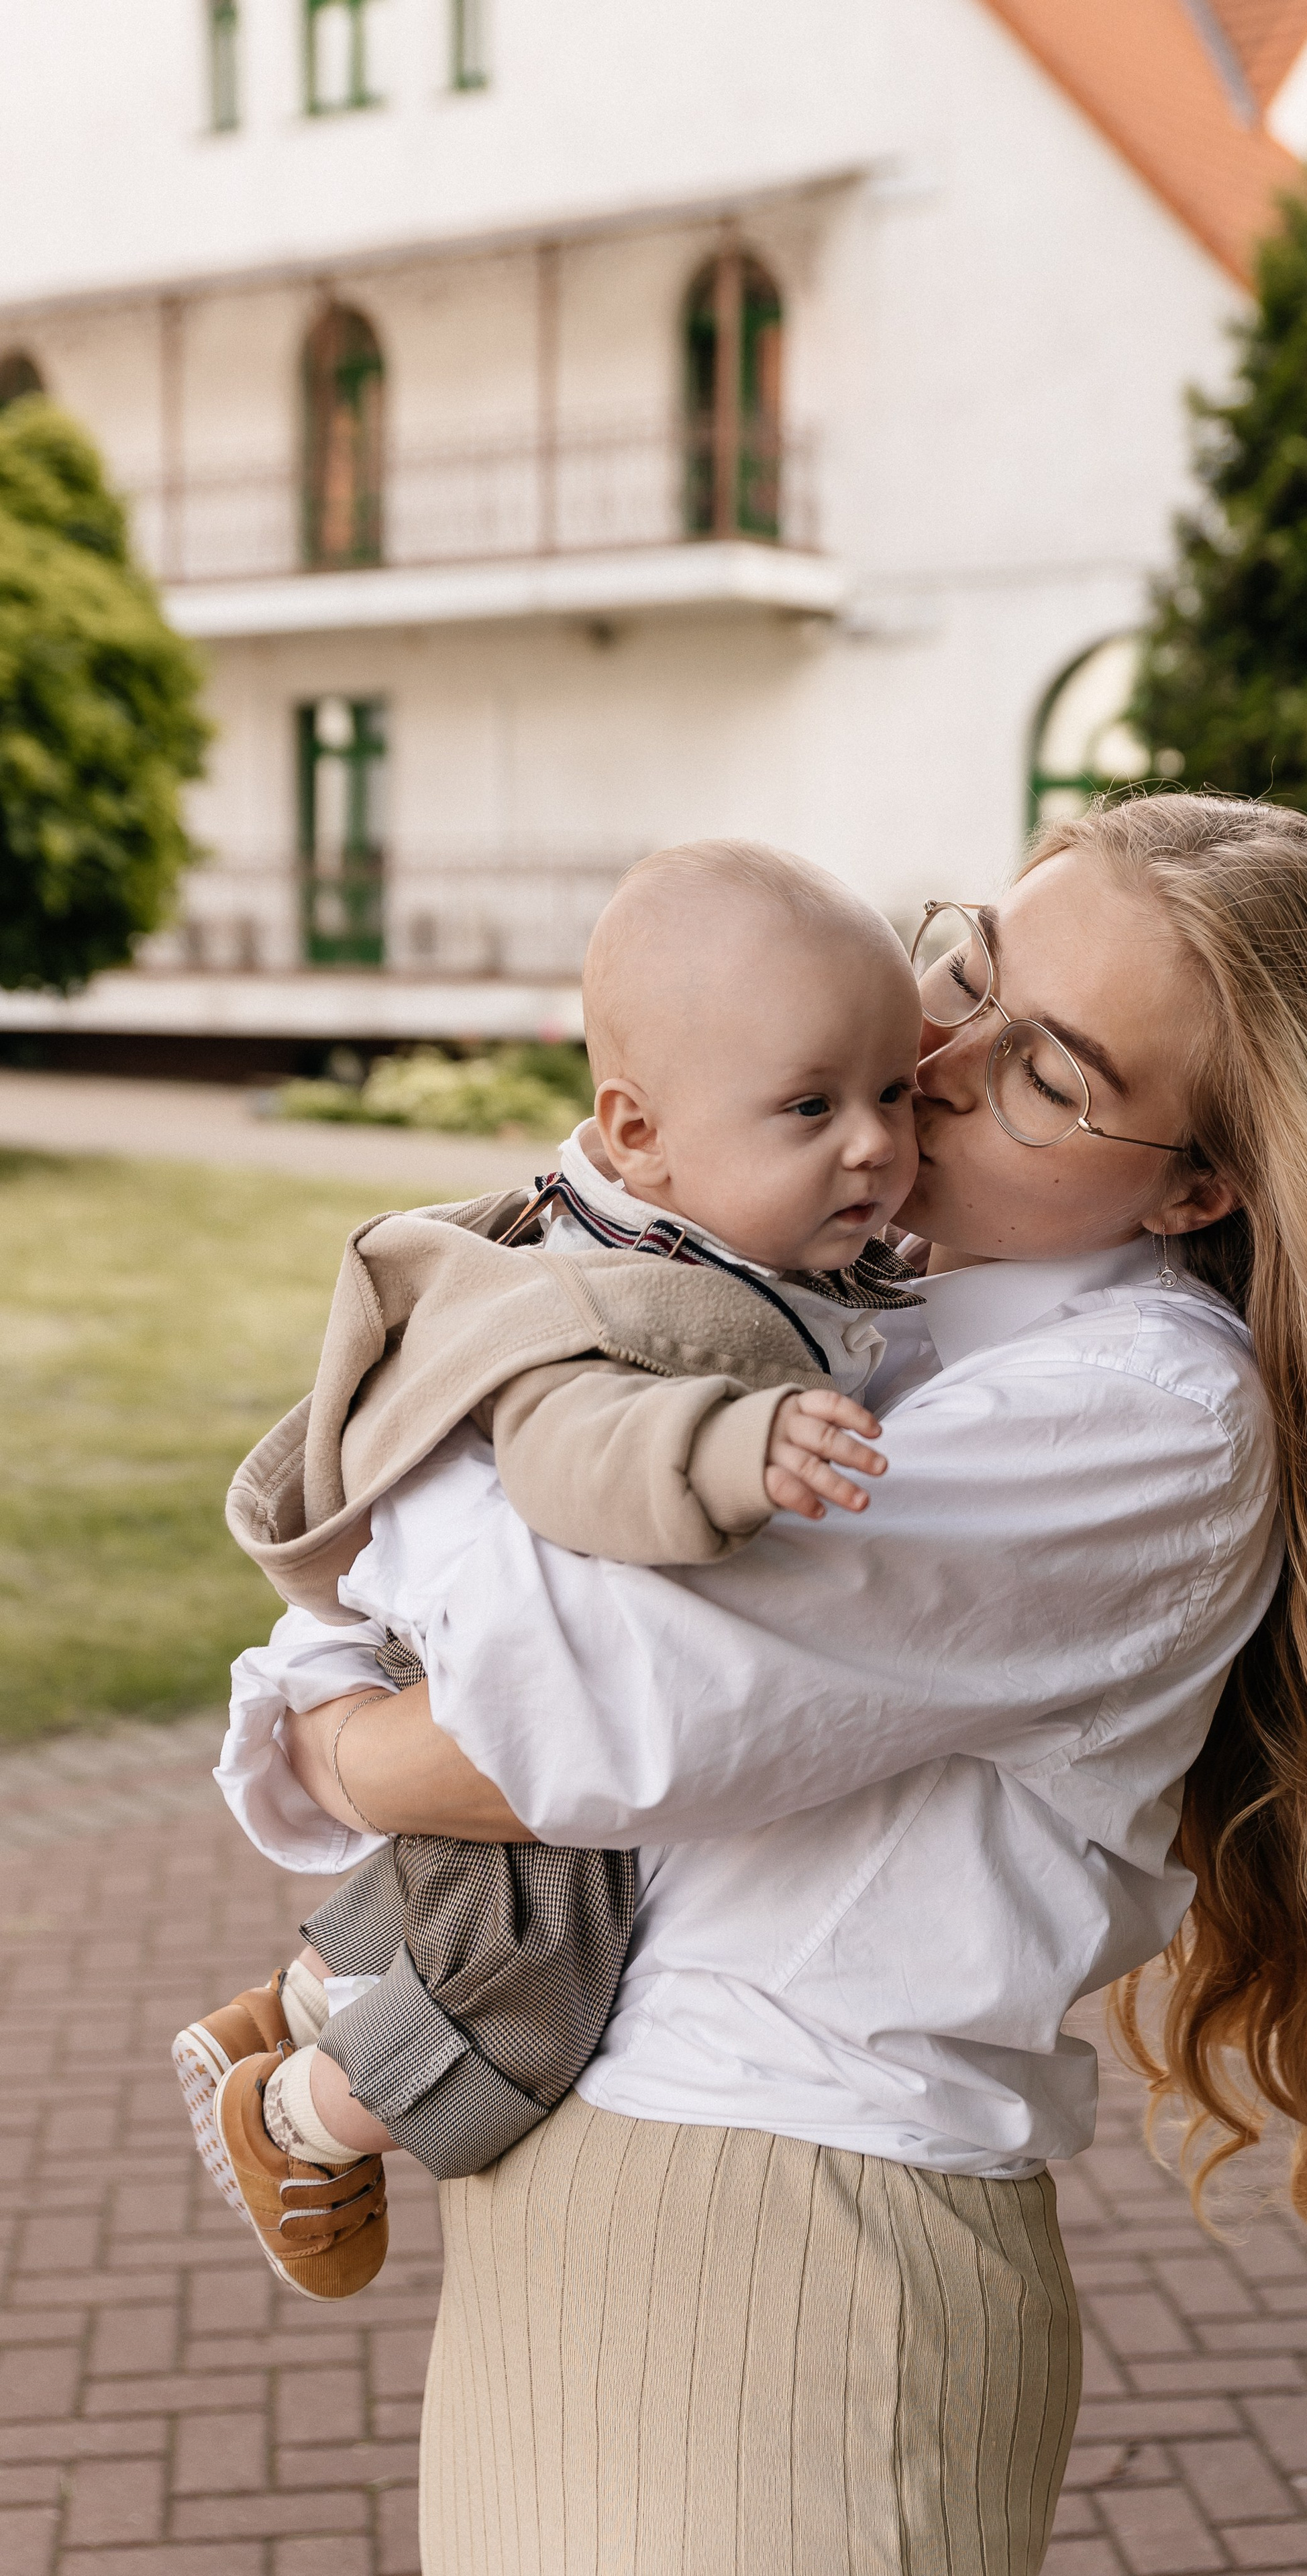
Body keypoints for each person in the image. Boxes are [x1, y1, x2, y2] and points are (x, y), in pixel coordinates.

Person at [268, 794, 1307, 2576]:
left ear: (1203, 1184)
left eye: (1049, 1072)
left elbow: (562, 1718)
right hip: (608, 2180)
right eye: (968, 969)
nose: (934, 1060)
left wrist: (329, 1724)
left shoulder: (1138, 1410)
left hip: (792, 2242)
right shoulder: (876, 1310)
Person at [182, 841, 924, 2298]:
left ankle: (301, 1999)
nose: (873, 1145)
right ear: (636, 1133)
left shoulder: (716, 1227)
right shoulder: (616, 1297)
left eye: (893, 1092)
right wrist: (729, 1450)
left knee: (477, 1901)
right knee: (528, 1983)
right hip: (499, 1670)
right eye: (810, 1107)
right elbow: (570, 1449)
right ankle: (297, 2119)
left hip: (494, 1662)